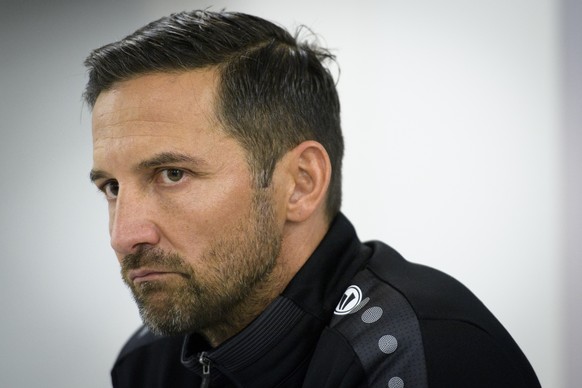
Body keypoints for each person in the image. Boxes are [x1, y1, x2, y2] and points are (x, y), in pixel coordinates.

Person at [85, 10, 541, 388]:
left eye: (172, 174)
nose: (124, 236)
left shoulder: (426, 352)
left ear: (300, 183)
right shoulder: (148, 362)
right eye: (113, 187)